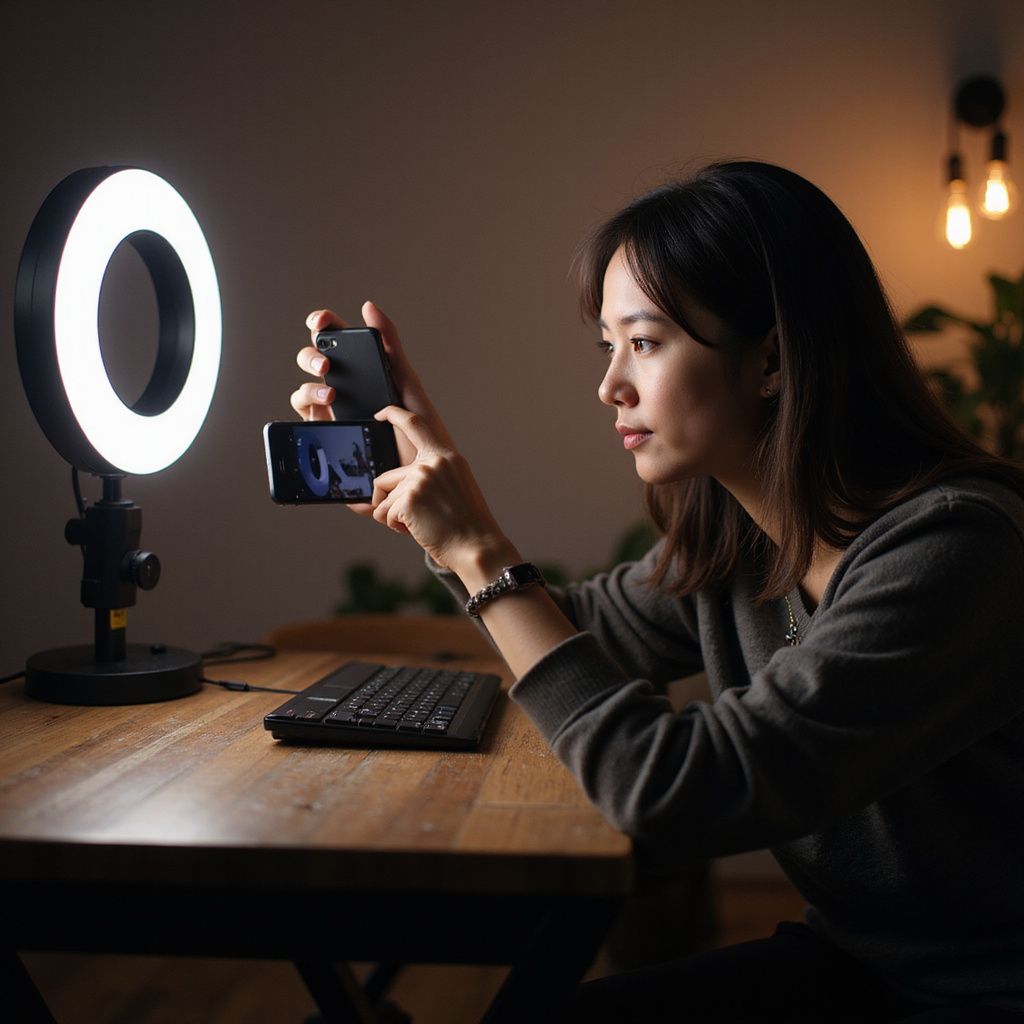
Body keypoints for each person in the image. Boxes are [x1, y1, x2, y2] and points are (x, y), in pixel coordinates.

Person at [290, 161, 1024, 1022]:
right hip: (860, 963)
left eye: (643, 341)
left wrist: (482, 552)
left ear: (772, 359)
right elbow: (583, 629)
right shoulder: (741, 540)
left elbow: (679, 793)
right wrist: (431, 512)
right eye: (609, 345)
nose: (610, 386)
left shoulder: (957, 550)